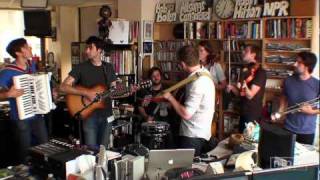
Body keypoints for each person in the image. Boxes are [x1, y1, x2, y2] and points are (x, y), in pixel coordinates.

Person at [59, 36, 117, 147]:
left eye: (90, 48)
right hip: (89, 116)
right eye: (87, 48)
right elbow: (63, 87)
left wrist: (126, 91)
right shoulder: (81, 68)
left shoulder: (108, 67)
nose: (87, 51)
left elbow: (113, 90)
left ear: (99, 50)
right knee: (90, 152)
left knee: (102, 151)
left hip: (107, 115)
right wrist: (86, 93)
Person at [0, 38, 48, 164]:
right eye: (27, 47)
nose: (30, 49)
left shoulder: (31, 66)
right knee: (25, 151)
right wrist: (8, 93)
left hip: (37, 114)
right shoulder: (7, 71)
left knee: (44, 146)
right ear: (18, 52)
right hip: (21, 117)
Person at [161, 45, 215, 156]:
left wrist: (170, 98)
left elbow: (186, 114)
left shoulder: (197, 83)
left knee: (187, 171)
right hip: (201, 131)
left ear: (182, 64)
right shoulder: (203, 72)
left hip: (192, 136)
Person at [272, 52, 319, 145]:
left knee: (303, 159)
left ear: (307, 66)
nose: (294, 64)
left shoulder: (317, 84)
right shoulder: (288, 81)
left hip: (307, 131)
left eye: (298, 62)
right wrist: (280, 111)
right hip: (288, 128)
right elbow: (284, 97)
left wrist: (311, 112)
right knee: (286, 158)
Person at [227, 45, 266, 133]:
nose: (242, 52)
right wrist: (233, 88)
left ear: (253, 55)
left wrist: (244, 85)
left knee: (249, 141)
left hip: (252, 113)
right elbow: (241, 94)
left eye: (246, 51)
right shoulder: (245, 70)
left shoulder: (260, 72)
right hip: (243, 111)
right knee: (241, 139)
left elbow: (250, 95)